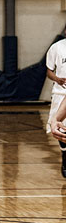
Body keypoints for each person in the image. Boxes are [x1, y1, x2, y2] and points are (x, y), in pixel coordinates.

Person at [46, 33, 66, 177]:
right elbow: (49, 71)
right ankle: (65, 159)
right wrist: (57, 79)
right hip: (60, 94)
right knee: (62, 130)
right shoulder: (57, 47)